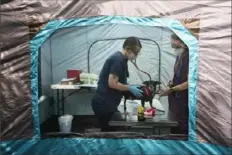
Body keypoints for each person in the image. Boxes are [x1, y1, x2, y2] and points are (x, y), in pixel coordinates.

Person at [92, 36, 143, 132]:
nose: (136, 56)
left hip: (108, 102)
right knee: (109, 134)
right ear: (128, 49)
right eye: (135, 53)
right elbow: (112, 83)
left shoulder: (123, 59)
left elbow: (120, 81)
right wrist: (129, 88)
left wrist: (130, 87)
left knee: (111, 132)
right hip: (103, 104)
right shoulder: (118, 60)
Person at [159, 33, 189, 135]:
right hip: (175, 101)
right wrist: (169, 86)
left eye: (172, 41)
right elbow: (177, 77)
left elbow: (189, 83)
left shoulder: (189, 57)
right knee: (173, 125)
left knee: (181, 128)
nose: (171, 44)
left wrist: (171, 90)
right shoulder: (179, 56)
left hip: (183, 100)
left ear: (179, 41)